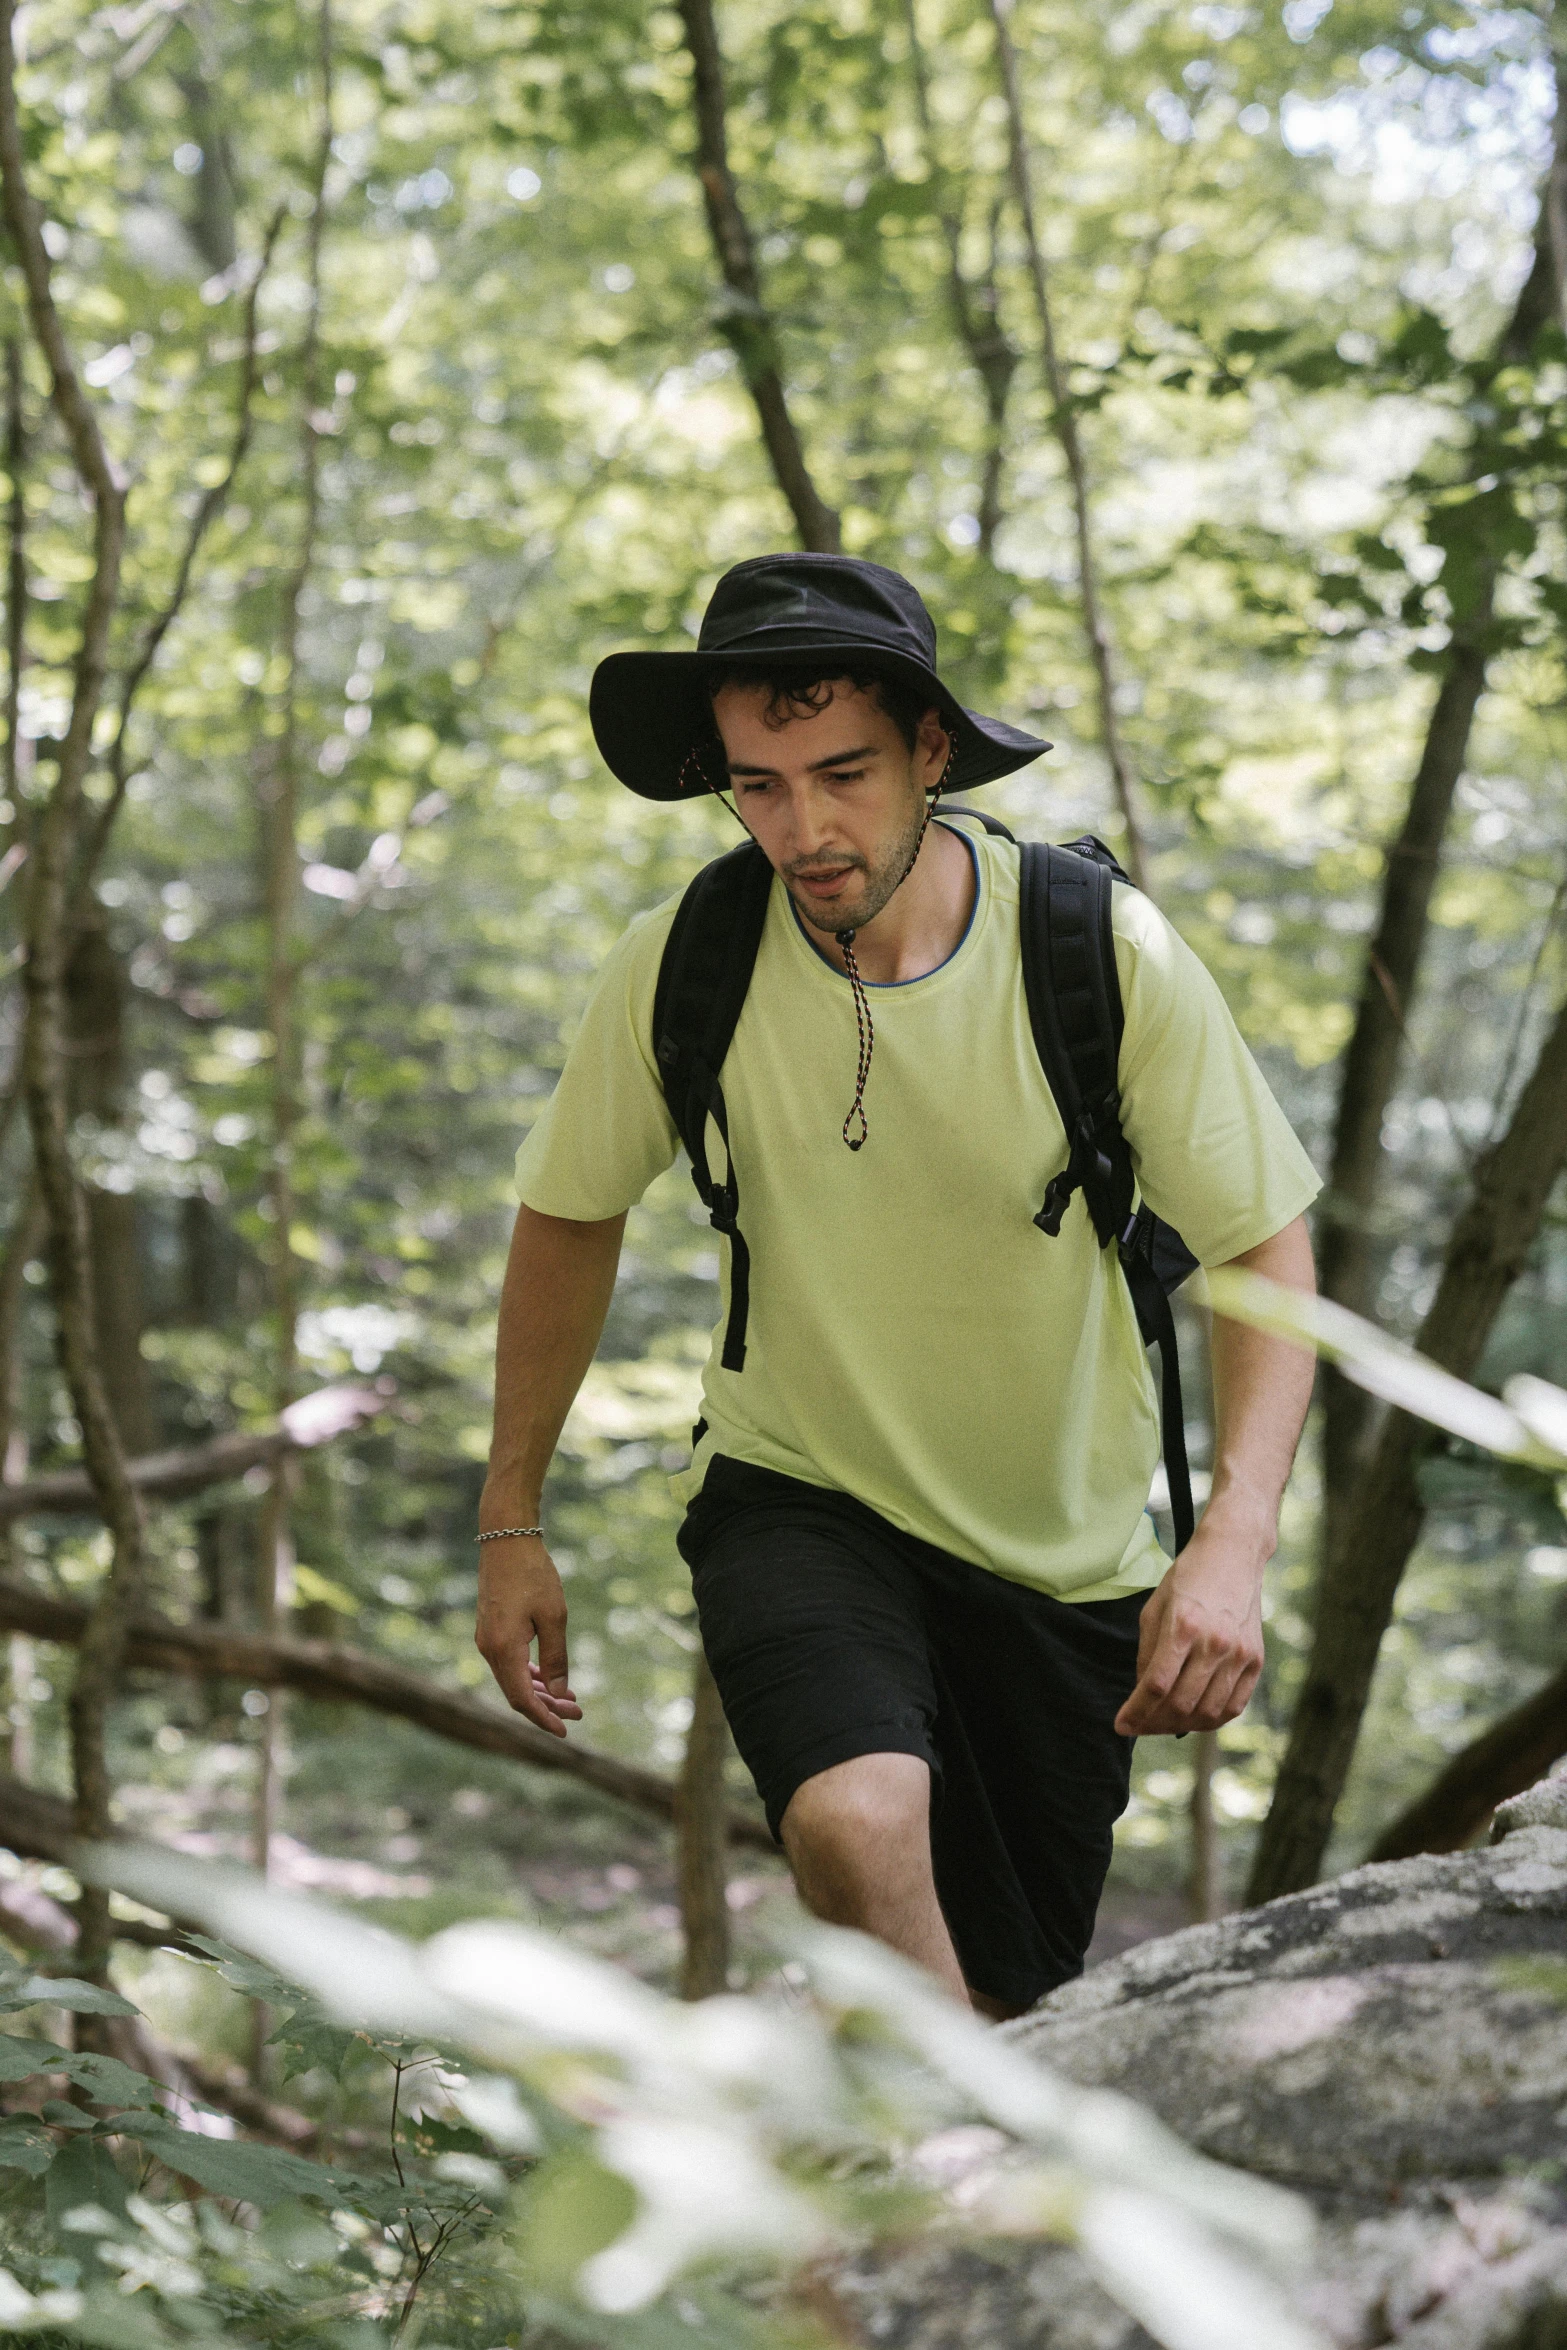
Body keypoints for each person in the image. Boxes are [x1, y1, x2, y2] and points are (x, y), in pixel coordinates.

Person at [476, 553, 1319, 2018]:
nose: (801, 827)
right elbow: (564, 1214)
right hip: (800, 1491)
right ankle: (974, 2177)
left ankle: (921, 2198)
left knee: (990, 1996)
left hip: (1059, 1558)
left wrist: (1232, 1540)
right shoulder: (687, 961)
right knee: (853, 1826)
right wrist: (509, 1517)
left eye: (841, 772)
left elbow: (1263, 1250)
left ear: (932, 748)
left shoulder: (1094, 952)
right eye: (756, 784)